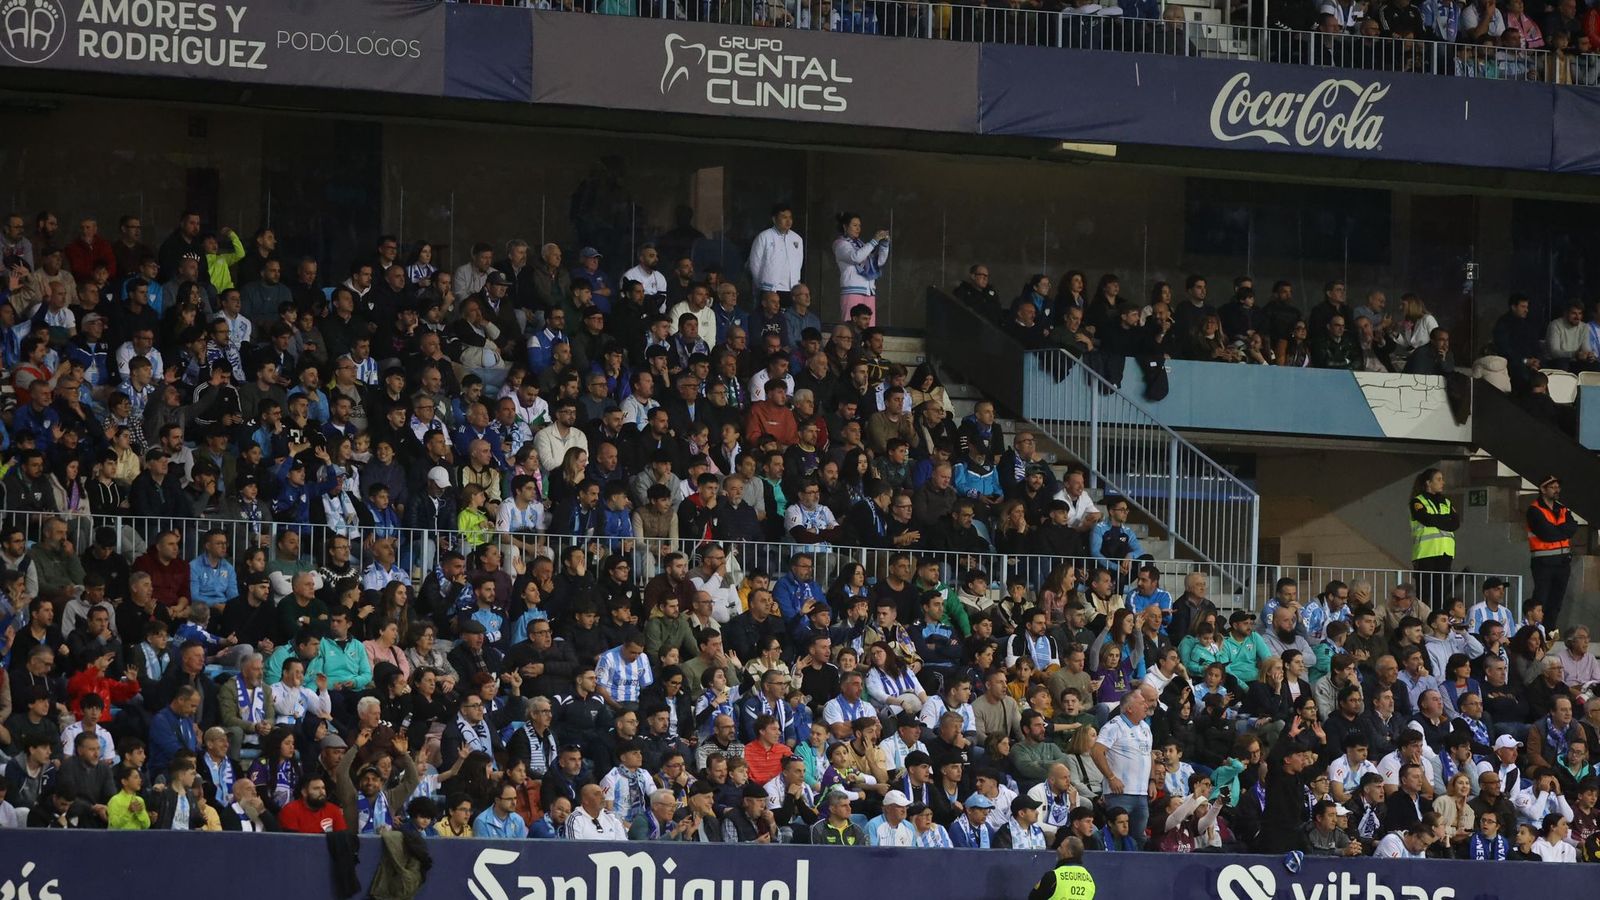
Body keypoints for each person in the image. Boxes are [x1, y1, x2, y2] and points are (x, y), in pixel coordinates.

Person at [1526, 474, 1578, 626]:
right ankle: (1536, 631)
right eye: (1552, 487)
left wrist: (1557, 530)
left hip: (1562, 562)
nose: (1557, 490)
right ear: (1543, 489)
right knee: (1541, 600)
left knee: (1556, 602)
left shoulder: (1562, 509)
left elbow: (1573, 528)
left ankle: (1549, 633)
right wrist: (1562, 530)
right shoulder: (1534, 510)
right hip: (1543, 562)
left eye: (1557, 487)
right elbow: (1546, 534)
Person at [1409, 468, 1459, 605]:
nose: (1443, 482)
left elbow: (1455, 523)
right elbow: (1426, 519)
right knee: (1424, 592)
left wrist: (1435, 519)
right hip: (1426, 552)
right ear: (1428, 483)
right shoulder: (1417, 501)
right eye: (1439, 479)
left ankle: (1439, 620)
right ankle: (1423, 621)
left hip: (1445, 552)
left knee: (1441, 592)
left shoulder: (1446, 502)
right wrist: (1444, 519)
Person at [1027, 835, 1095, 900]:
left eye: (1061, 847)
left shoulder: (1053, 876)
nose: (1058, 849)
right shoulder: (1089, 879)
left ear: (1068, 852)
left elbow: (1033, 897)